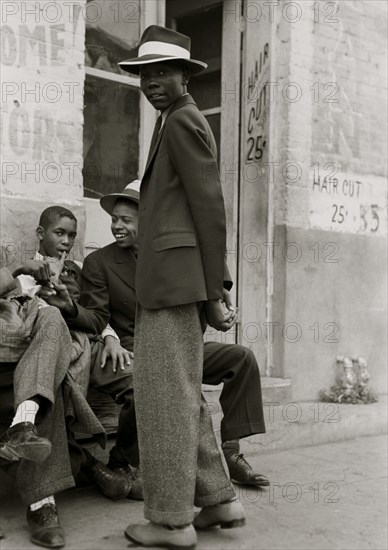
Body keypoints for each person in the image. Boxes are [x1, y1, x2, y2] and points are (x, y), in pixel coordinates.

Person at [117, 25, 245, 548]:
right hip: (170, 281)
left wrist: (217, 289)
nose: (152, 82)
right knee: (180, 393)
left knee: (162, 399)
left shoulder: (183, 121)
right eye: (146, 74)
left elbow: (209, 209)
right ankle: (218, 501)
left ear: (186, 76)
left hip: (175, 284)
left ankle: (171, 520)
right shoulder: (172, 120)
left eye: (163, 72)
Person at [67, 181, 268, 491]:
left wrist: (220, 292)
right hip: (132, 350)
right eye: (114, 219)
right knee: (150, 383)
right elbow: (96, 316)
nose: (116, 226)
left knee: (241, 359)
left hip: (180, 346)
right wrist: (94, 326)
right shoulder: (100, 263)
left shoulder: (169, 255)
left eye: (125, 220)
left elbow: (206, 249)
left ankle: (232, 452)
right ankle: (125, 461)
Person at [34, 206, 136, 499]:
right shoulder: (25, 269)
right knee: (52, 390)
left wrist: (111, 338)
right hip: (53, 350)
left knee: (140, 382)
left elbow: (97, 313)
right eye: (60, 233)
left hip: (92, 346)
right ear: (41, 234)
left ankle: (123, 461)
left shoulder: (79, 269)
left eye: (72, 236)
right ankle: (89, 466)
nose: (66, 241)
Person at [0, 259, 74, 549]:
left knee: (53, 316)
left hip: (15, 340)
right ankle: (41, 503)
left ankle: (23, 421)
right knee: (46, 378)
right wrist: (18, 268)